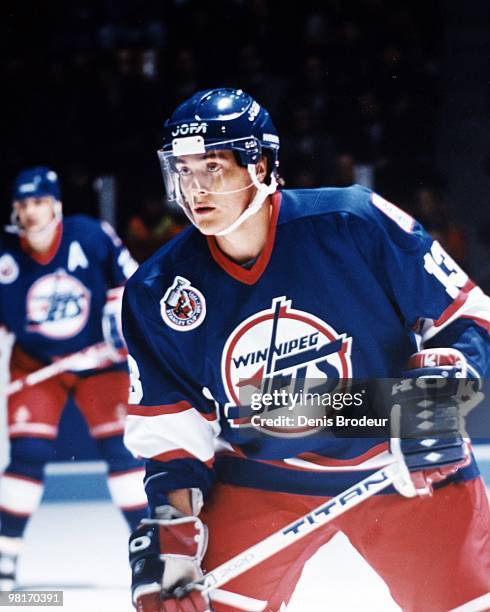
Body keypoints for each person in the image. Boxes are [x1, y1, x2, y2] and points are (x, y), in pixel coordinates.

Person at [123, 89, 490, 612]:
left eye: (212, 167)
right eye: (182, 170)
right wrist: (173, 538)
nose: (195, 188)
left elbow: (469, 314)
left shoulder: (352, 222)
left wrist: (440, 394)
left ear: (263, 164)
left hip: (397, 457)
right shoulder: (158, 290)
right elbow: (171, 433)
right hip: (261, 476)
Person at [0, 166, 148, 590]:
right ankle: (5, 561)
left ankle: (148, 551)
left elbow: (134, 285)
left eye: (39, 202)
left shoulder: (90, 235)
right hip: (36, 365)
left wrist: (120, 331)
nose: (31, 212)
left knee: (123, 457)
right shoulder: (6, 256)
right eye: (23, 205)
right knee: (27, 455)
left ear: (56, 205)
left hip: (100, 365)